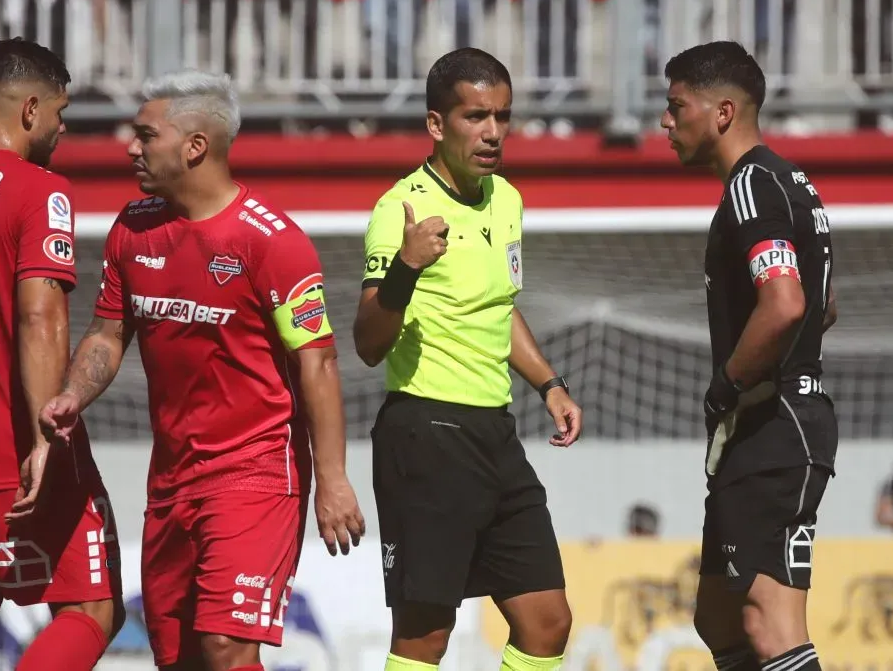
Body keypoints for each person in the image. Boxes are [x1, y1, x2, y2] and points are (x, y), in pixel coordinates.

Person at [39, 70, 366, 671]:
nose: (130, 147)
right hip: (170, 481)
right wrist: (71, 396)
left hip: (256, 472)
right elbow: (109, 334)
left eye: (145, 134)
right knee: (182, 658)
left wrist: (335, 479)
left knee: (225, 646)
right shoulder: (133, 228)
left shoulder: (271, 242)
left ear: (195, 147)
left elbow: (317, 361)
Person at [353, 46, 582, 671]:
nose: (492, 132)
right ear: (436, 124)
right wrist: (405, 266)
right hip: (425, 433)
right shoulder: (399, 210)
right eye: (475, 116)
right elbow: (368, 343)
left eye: (502, 117)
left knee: (547, 623)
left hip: (494, 434)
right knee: (426, 636)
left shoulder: (505, 200)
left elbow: (499, 305)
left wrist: (548, 383)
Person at [660, 41, 839, 671]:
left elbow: (787, 304)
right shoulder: (789, 180)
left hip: (773, 425)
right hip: (783, 424)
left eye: (676, 105)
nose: (664, 120)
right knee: (718, 614)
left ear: (723, 112)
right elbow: (823, 304)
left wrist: (728, 385)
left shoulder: (750, 185)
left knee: (768, 623)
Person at [0, 37, 125, 670]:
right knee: (94, 608)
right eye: (60, 113)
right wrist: (43, 436)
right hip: (10, 441)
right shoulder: (40, 190)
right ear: (30, 109)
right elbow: (39, 314)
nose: (62, 129)